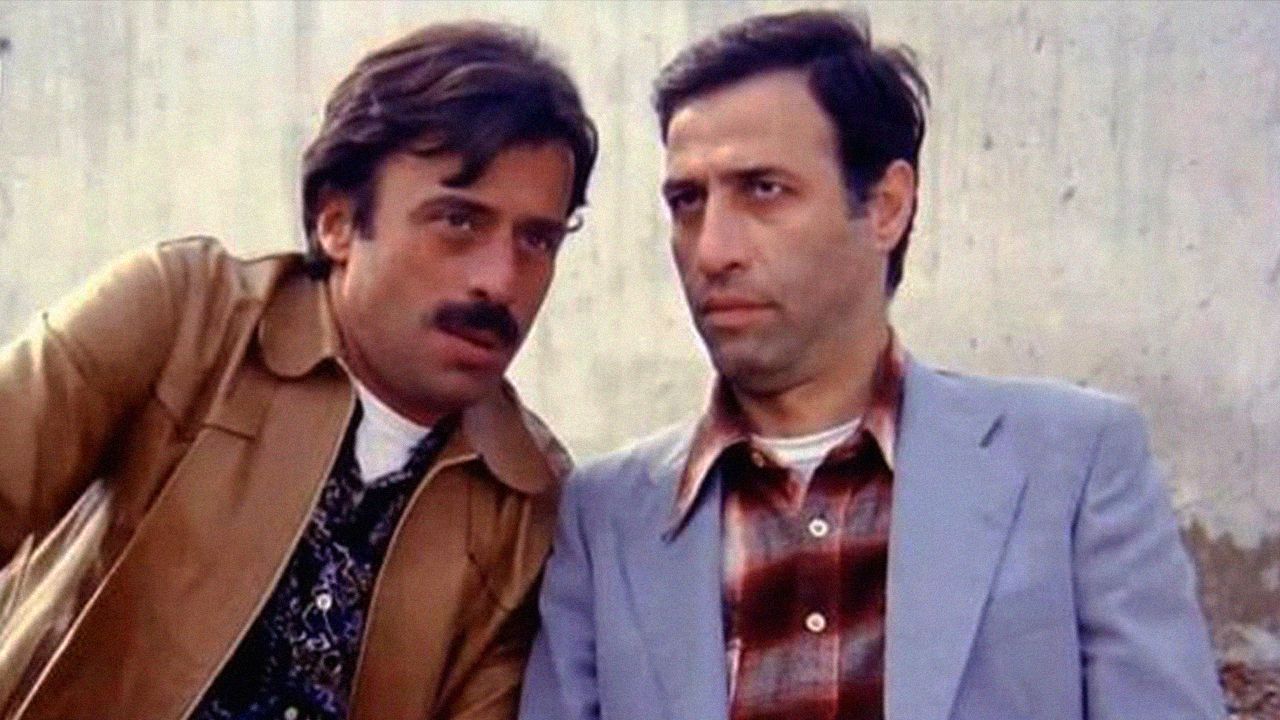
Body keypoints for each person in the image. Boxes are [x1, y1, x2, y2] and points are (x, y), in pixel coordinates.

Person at [519, 10, 1223, 720]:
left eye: (763, 189)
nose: (712, 250)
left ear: (887, 207)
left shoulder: (1070, 464)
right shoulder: (606, 516)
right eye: (687, 201)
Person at [0, 21, 596, 720]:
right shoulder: (188, 320)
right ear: (336, 222)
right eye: (459, 222)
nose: (501, 279)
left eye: (537, 240)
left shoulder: (529, 501)